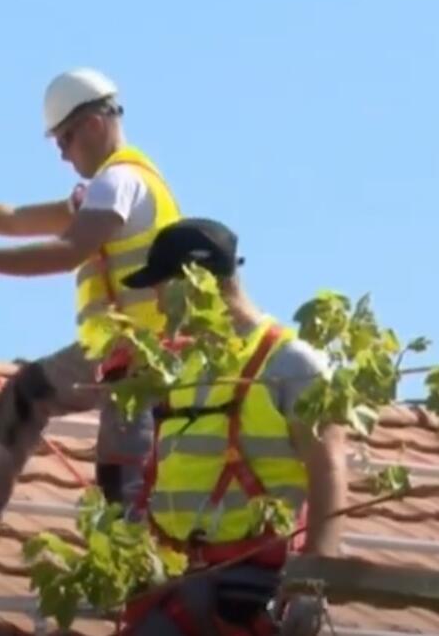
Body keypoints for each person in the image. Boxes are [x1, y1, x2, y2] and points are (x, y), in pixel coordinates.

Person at [0, 67, 182, 557]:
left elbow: (68, 250)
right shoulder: (108, 187)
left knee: (122, 481)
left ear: (95, 124)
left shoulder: (119, 182)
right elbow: (13, 219)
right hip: (117, 355)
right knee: (26, 393)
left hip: (144, 363)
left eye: (65, 138)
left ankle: (133, 589)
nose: (61, 152)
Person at [112, 218, 347, 635]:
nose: (159, 305)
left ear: (193, 280)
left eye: (162, 287)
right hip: (180, 578)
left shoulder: (289, 364)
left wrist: (314, 578)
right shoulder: (179, 367)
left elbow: (327, 468)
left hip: (251, 582)